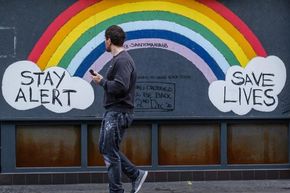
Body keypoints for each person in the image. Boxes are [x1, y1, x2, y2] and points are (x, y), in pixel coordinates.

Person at [91, 25, 148, 193]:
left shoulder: (123, 60)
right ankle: (135, 174)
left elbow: (121, 87)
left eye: (105, 40)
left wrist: (101, 82)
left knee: (109, 152)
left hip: (118, 113)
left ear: (109, 40)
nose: (105, 43)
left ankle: (118, 189)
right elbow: (117, 84)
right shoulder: (119, 60)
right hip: (114, 111)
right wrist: (103, 79)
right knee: (106, 148)